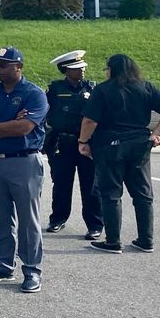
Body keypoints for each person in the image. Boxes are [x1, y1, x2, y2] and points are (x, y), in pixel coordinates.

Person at [0, 47, 48, 293]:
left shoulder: (34, 94)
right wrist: (8, 124)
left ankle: (32, 269)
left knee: (28, 219)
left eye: (3, 64)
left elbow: (24, 128)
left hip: (24, 160)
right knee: (1, 218)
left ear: (18, 67)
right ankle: (4, 266)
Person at [79, 54, 160, 254]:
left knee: (110, 194)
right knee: (143, 194)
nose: (106, 72)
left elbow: (89, 121)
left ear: (112, 69)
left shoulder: (103, 89)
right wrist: (156, 134)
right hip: (139, 144)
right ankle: (146, 240)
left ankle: (113, 241)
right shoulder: (146, 87)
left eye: (106, 68)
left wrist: (83, 142)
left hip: (110, 145)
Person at [44, 50, 102, 240]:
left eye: (83, 67)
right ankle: (58, 219)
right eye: (76, 68)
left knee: (91, 186)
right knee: (61, 183)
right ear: (66, 70)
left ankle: (94, 224)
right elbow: (44, 113)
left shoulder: (93, 89)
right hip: (63, 142)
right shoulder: (54, 89)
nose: (82, 71)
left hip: (88, 144)